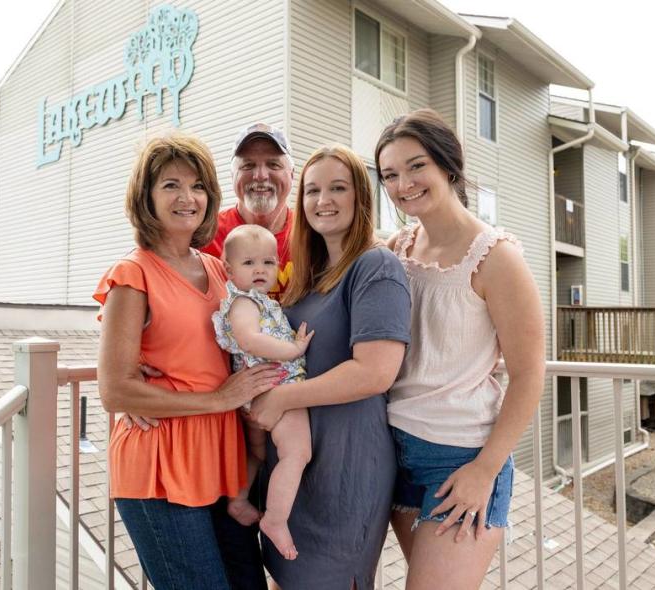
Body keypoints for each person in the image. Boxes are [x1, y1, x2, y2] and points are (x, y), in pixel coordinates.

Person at [94, 133, 280, 590]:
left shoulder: (220, 269)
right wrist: (219, 398)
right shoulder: (131, 274)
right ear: (146, 197)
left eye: (197, 186)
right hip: (160, 465)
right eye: (171, 185)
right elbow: (114, 390)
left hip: (223, 459)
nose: (187, 197)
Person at [376, 109, 545, 589]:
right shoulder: (396, 249)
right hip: (394, 451)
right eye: (390, 174)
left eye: (415, 166)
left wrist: (485, 470)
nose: (403, 183)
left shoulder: (497, 257)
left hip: (459, 459)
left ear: (448, 165)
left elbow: (530, 374)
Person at [247, 145, 411, 589]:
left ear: (360, 196)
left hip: (346, 467)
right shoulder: (307, 277)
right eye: (313, 190)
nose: (324, 201)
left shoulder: (376, 266)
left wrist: (280, 397)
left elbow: (374, 372)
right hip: (295, 474)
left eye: (338, 188)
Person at [211, 224, 313, 560]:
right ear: (228, 269)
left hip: (258, 392)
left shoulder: (260, 301)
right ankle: (276, 519)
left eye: (268, 263)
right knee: (297, 453)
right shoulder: (243, 303)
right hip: (273, 385)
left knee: (258, 454)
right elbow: (250, 340)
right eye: (249, 263)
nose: (260, 270)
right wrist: (294, 350)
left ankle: (239, 500)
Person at [202, 123, 295, 301]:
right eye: (248, 165)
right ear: (232, 175)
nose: (260, 175)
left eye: (273, 164)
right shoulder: (206, 235)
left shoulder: (311, 233)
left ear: (291, 174)